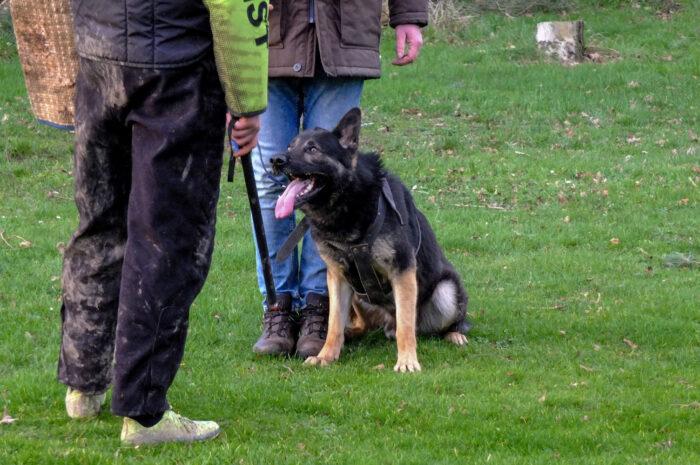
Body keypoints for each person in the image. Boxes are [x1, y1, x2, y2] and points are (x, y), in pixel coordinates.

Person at [58, 0, 268, 445]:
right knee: (166, 238)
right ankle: (145, 411)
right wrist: (248, 101)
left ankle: (84, 382)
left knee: (99, 221)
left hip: (99, 54)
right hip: (175, 67)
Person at [251, 0, 428, 358]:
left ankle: (320, 309)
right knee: (271, 181)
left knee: (334, 184)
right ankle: (278, 307)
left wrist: (408, 14)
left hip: (345, 33)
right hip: (266, 35)